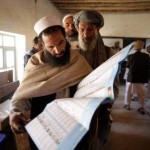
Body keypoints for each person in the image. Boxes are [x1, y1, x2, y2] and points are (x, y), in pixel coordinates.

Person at [9, 15, 92, 149]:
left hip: (75, 129)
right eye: (51, 46)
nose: (58, 50)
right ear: (42, 45)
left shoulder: (78, 61)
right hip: (42, 130)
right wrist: (15, 112)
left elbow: (91, 89)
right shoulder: (34, 64)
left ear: (65, 38)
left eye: (61, 43)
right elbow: (24, 93)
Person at [74, 10, 119, 149]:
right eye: (82, 29)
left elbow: (115, 87)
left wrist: (104, 103)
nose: (85, 34)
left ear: (98, 29)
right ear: (77, 29)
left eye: (90, 29)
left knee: (95, 142)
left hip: (99, 108)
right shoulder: (72, 53)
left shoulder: (108, 53)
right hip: (75, 110)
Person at [124, 40, 150, 114]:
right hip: (141, 77)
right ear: (142, 47)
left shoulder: (130, 56)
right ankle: (141, 107)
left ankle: (128, 105)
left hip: (132, 77)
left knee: (129, 92)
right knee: (141, 93)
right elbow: (148, 66)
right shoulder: (146, 56)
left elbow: (127, 66)